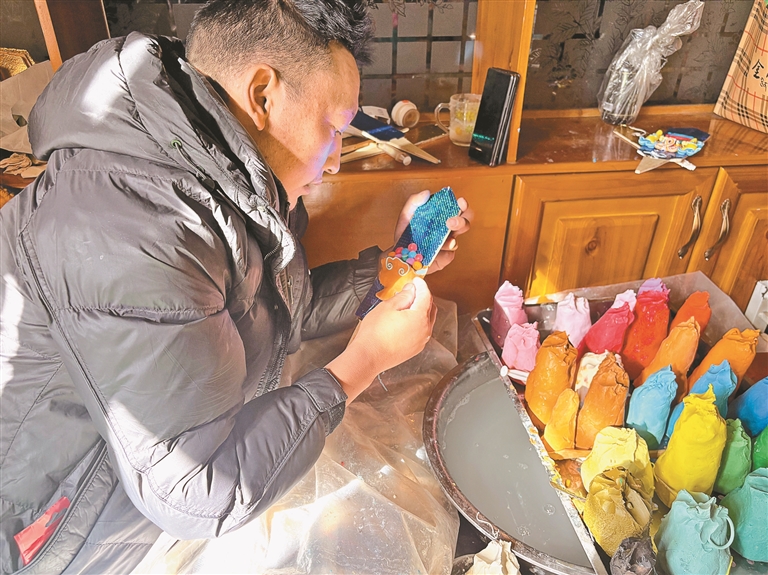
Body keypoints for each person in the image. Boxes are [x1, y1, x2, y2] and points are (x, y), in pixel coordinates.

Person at [0, 0, 472, 573]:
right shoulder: (135, 225)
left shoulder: (220, 175)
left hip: (143, 499)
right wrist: (363, 362)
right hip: (59, 537)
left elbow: (278, 310)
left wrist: (395, 266)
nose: (335, 161)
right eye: (334, 127)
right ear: (263, 95)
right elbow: (198, 491)